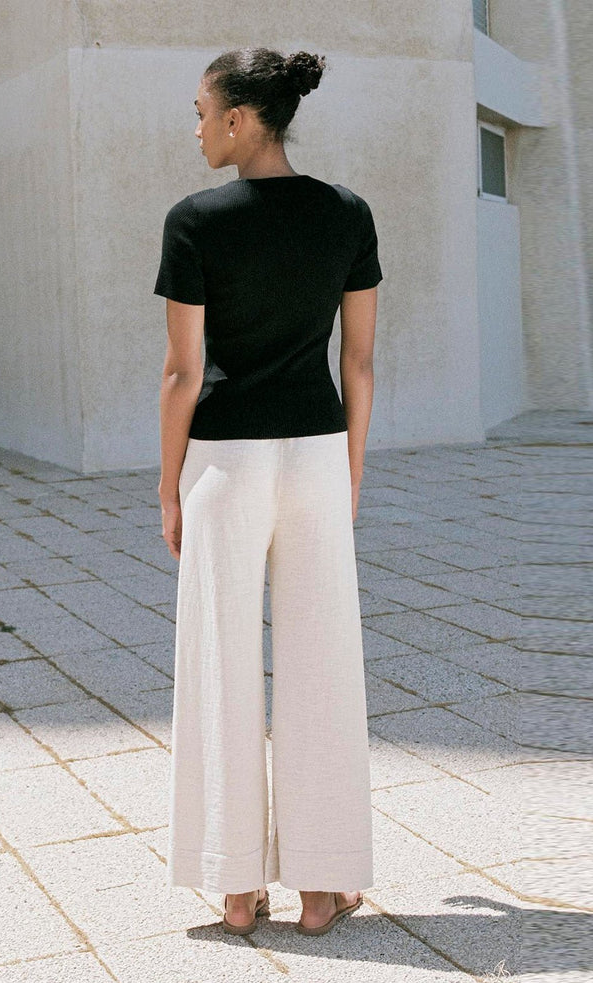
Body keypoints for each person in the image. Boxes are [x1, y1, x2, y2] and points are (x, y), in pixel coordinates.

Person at [154, 46, 382, 937]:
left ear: (239, 119)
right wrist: (350, 468)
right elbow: (358, 362)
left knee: (218, 660)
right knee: (325, 662)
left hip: (224, 462)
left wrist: (168, 488)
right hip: (318, 453)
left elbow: (182, 373)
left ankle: (236, 887)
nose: (197, 130)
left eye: (201, 113)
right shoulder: (347, 212)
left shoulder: (195, 220)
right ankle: (323, 889)